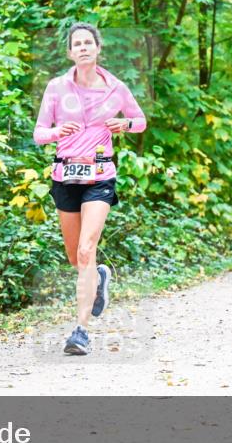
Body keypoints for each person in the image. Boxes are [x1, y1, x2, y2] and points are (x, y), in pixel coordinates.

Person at [33, 22, 147, 356]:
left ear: (97, 48)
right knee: (75, 257)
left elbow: (139, 121)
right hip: (66, 175)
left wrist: (124, 124)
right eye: (77, 44)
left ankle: (81, 331)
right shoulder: (56, 87)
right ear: (70, 52)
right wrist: (57, 132)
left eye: (88, 42)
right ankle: (98, 276)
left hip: (100, 175)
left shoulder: (116, 88)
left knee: (86, 248)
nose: (83, 47)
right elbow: (39, 132)